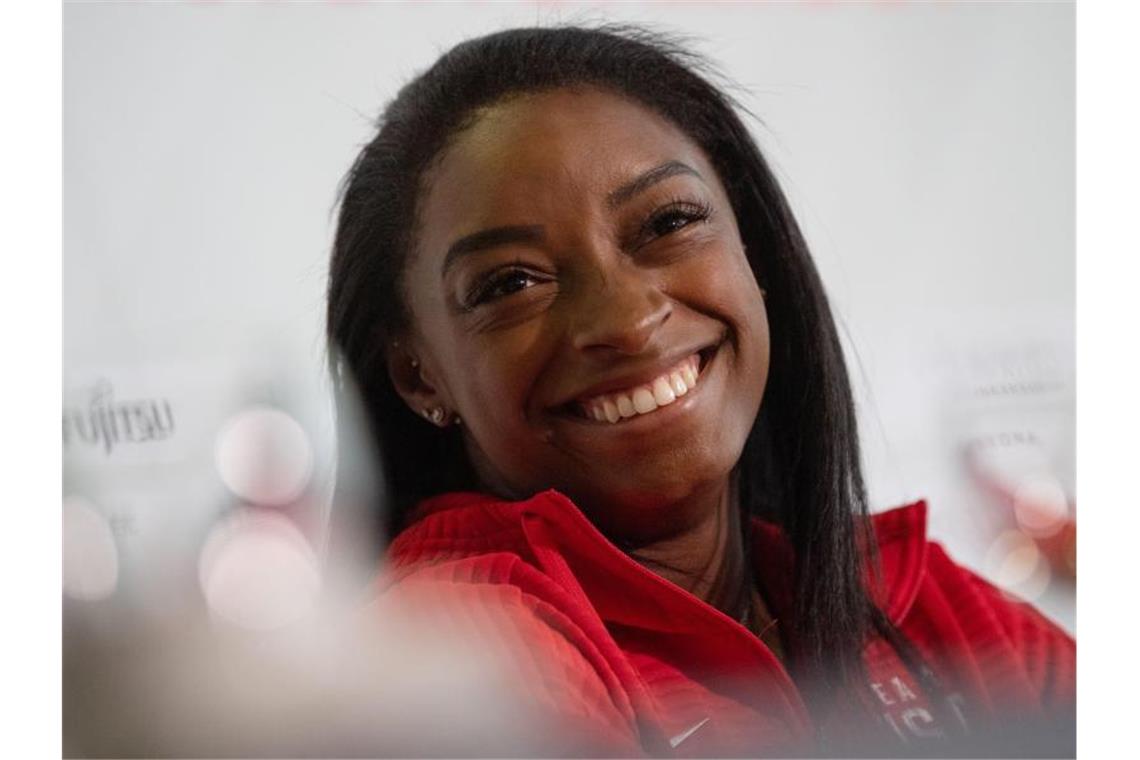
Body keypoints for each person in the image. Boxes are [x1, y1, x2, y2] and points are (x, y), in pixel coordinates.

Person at [326, 25, 1075, 757]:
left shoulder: (918, 600)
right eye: (512, 282)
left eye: (668, 222)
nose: (626, 319)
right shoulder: (462, 644)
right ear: (418, 374)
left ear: (752, 250)